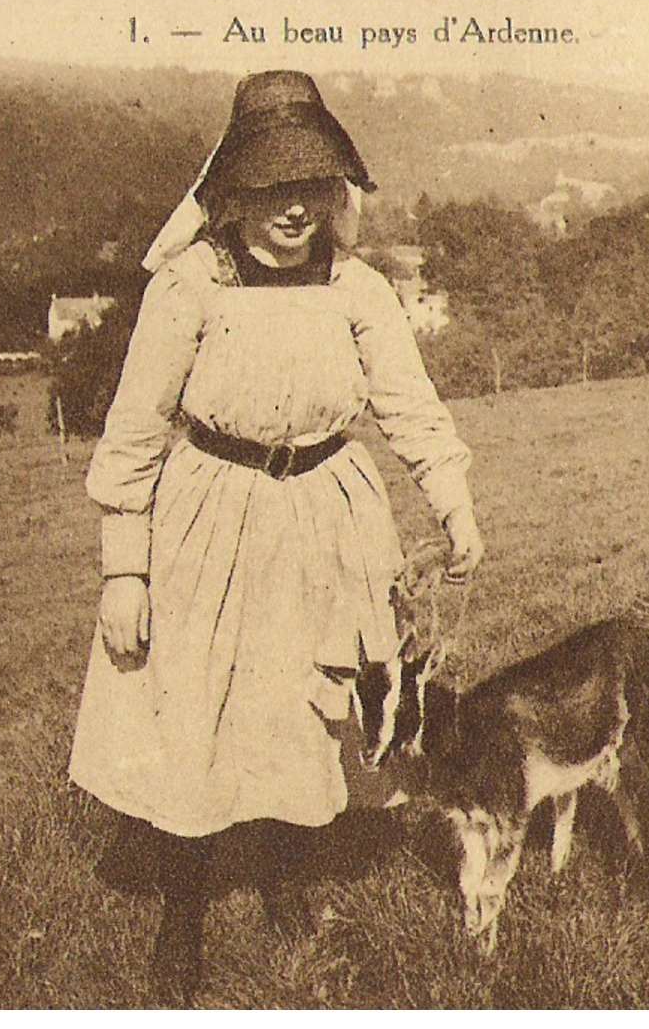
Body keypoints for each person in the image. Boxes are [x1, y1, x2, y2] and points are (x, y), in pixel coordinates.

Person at [68, 70, 484, 1003]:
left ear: (334, 194)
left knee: (310, 711)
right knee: (197, 712)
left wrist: (451, 501)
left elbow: (410, 408)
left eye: (311, 187)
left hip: (329, 518)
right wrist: (122, 572)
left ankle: (291, 888)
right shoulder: (190, 289)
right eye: (269, 187)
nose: (291, 209)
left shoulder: (357, 288)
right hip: (210, 516)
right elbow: (134, 435)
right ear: (231, 194)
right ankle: (182, 916)